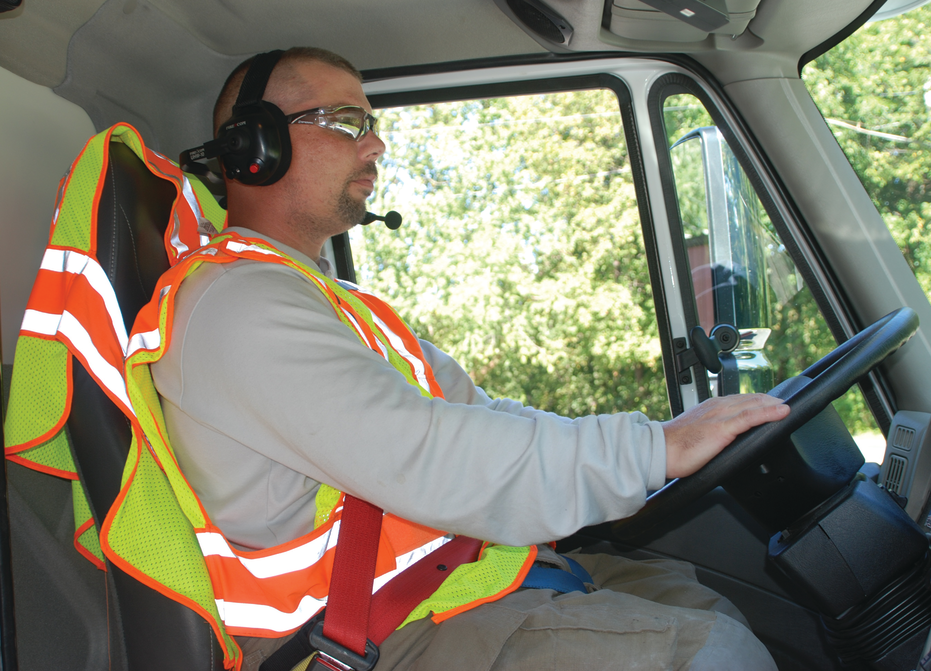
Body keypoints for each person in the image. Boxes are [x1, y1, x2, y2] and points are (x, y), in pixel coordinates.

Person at [151, 47, 790, 671]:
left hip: (433, 584)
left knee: (705, 603)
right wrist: (654, 450)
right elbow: (425, 453)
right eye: (347, 123)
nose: (375, 146)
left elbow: (481, 416)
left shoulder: (329, 303)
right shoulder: (236, 303)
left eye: (372, 125)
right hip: (354, 634)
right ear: (254, 147)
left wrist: (654, 442)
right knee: (721, 654)